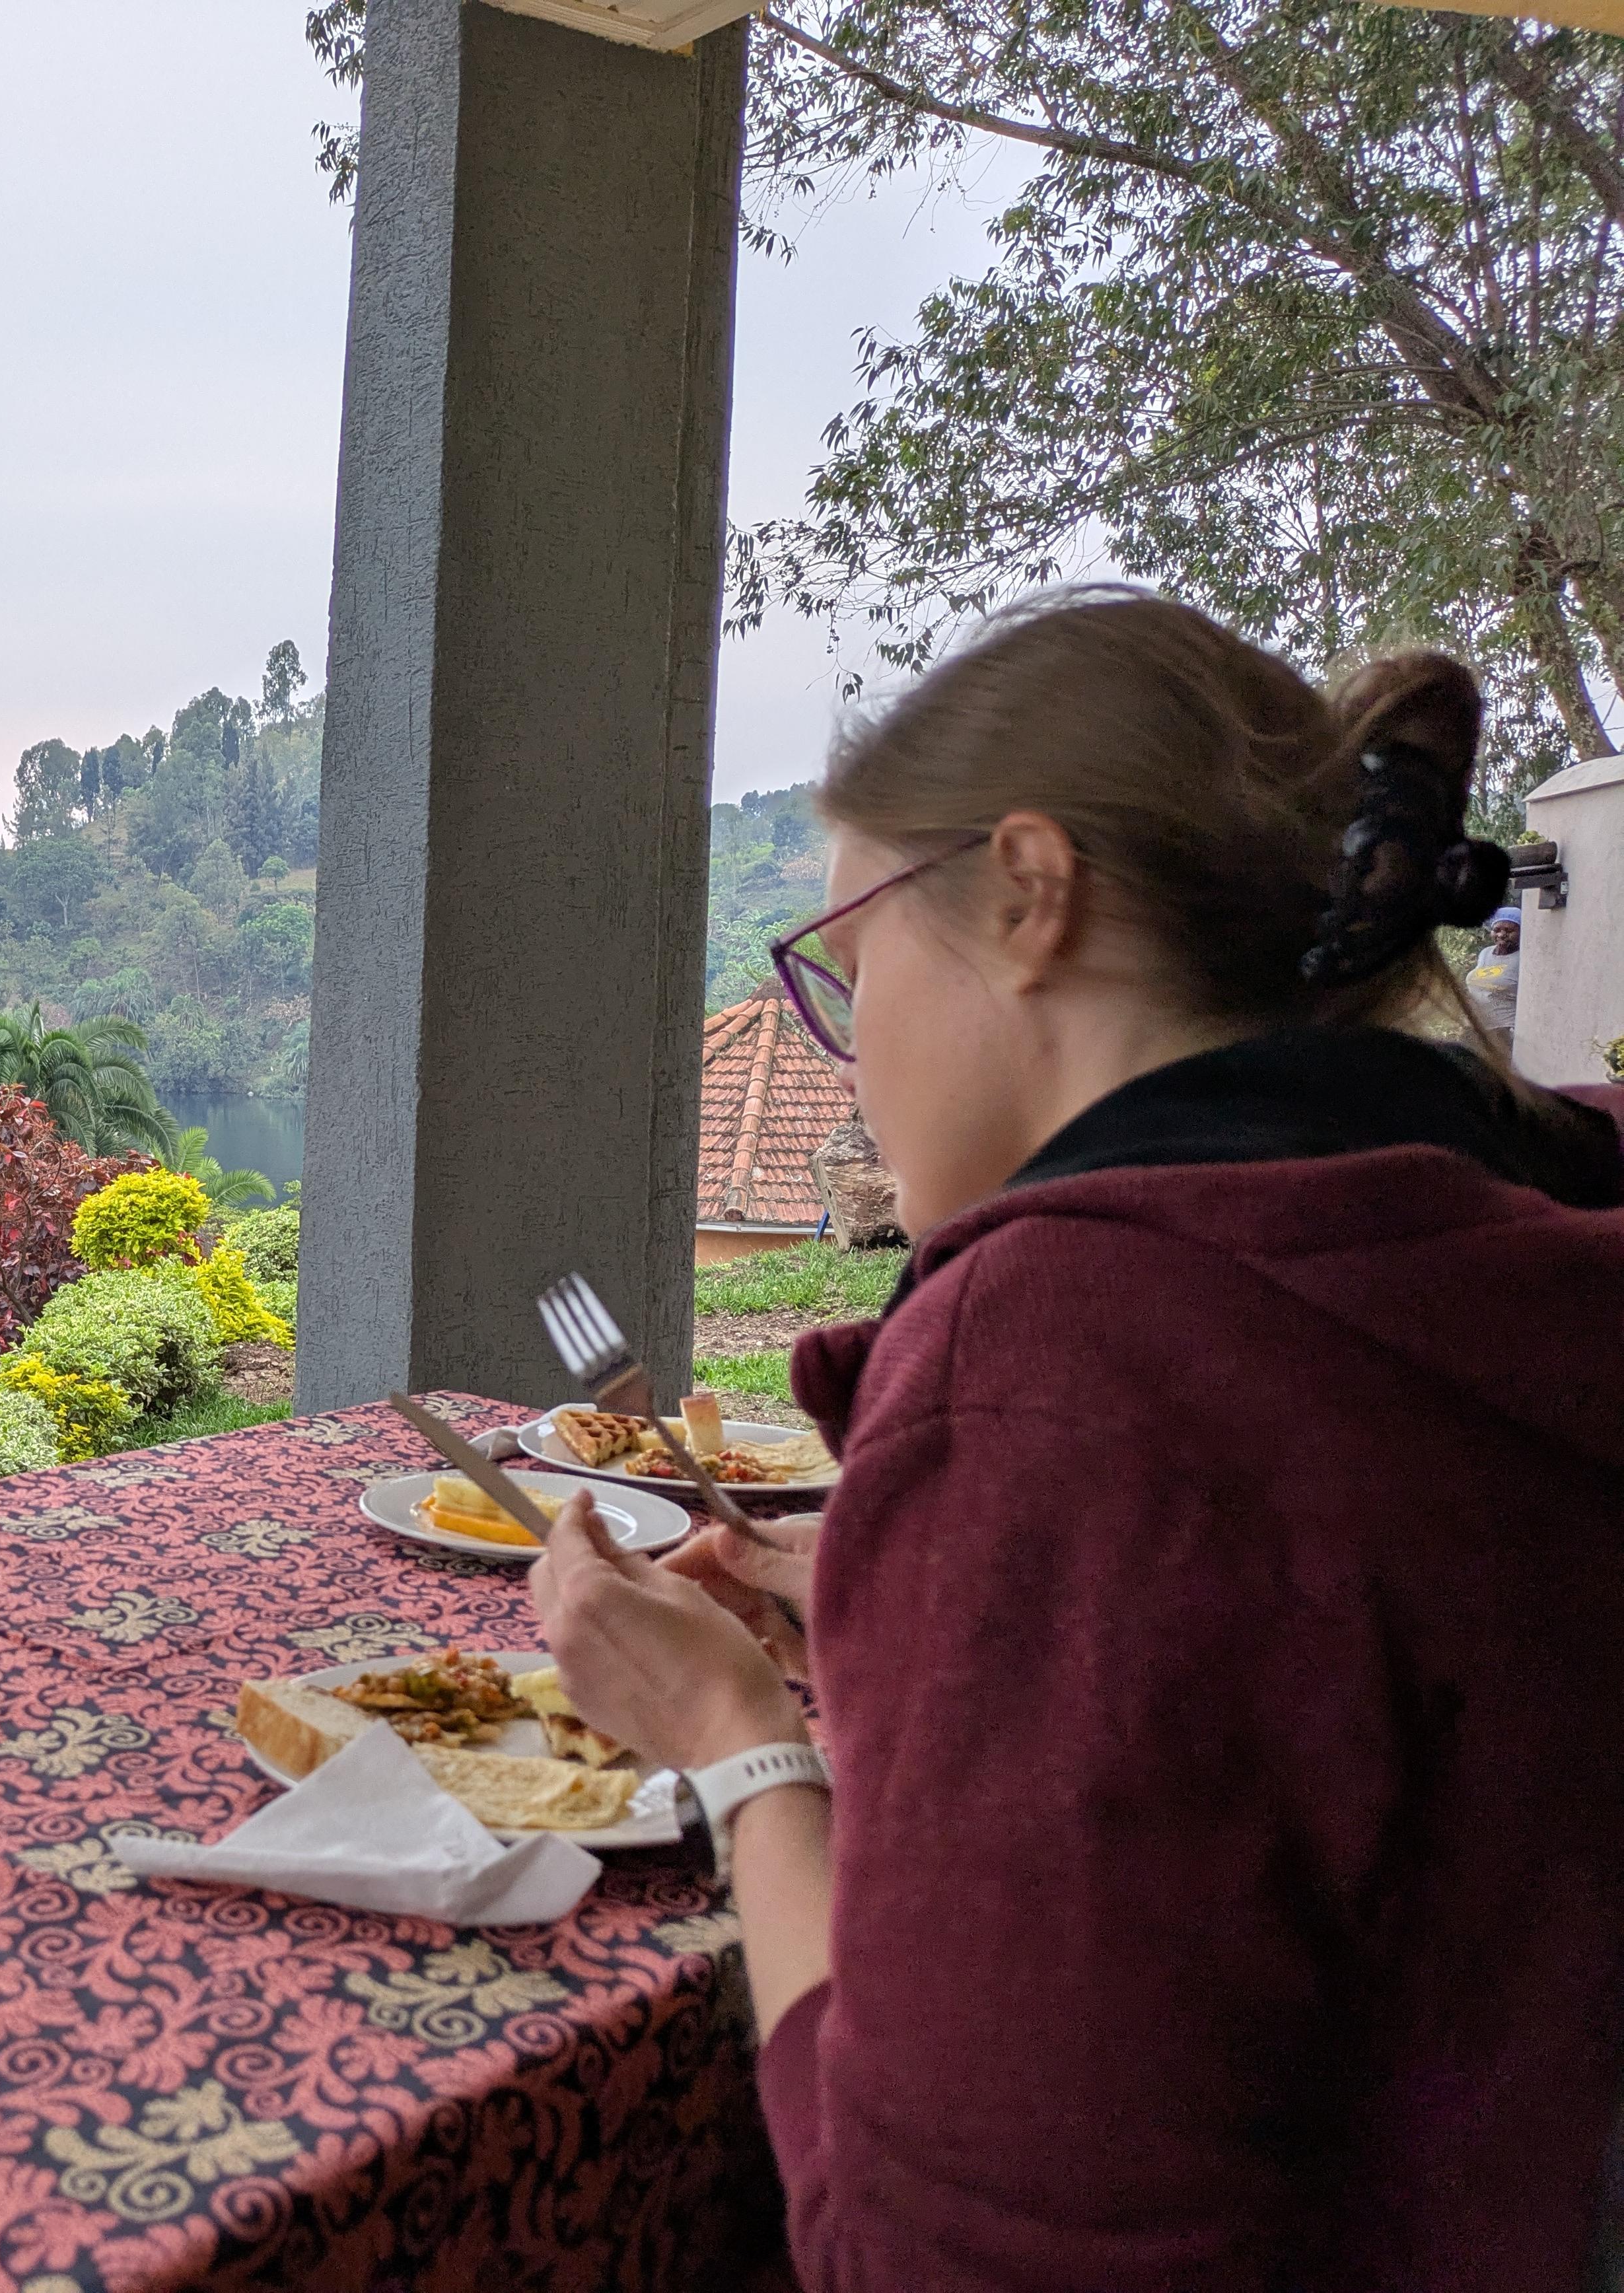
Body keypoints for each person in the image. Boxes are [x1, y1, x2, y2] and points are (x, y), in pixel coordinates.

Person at [529, 592, 1624, 2292]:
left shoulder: (1060, 1364)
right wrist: (901, 1607)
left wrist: (734, 1741)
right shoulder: (1475, 1249)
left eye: (850, 970)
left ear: (1028, 894)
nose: (848, 1058)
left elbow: (931, 2257)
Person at [1467, 904, 1522, 1055]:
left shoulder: (1522, 958)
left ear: (1521, 932)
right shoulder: (1486, 953)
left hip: (1504, 1030)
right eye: (1497, 930)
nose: (1501, 935)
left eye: (1509, 931)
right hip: (1478, 1028)